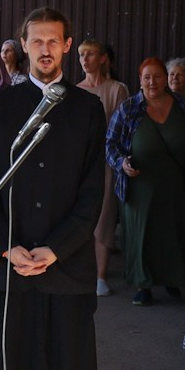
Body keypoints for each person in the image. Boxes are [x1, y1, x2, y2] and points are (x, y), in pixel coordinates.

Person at [0, 8, 107, 370]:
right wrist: (8, 247)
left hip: (66, 268)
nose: (45, 50)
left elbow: (93, 193)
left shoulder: (88, 108)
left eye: (54, 41)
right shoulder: (1, 107)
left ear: (67, 46)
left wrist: (56, 248)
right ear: (23, 45)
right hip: (9, 269)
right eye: (37, 41)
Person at [107, 57, 185, 306]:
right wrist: (121, 163)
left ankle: (171, 278)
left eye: (158, 76)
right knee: (140, 235)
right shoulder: (129, 108)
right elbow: (110, 144)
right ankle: (142, 284)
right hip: (139, 185)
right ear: (140, 80)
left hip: (174, 182)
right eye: (147, 77)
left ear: (166, 79)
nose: (152, 82)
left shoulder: (183, 105)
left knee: (171, 233)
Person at [76, 37, 129, 296]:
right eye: (81, 54)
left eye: (90, 54)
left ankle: (100, 276)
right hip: (80, 162)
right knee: (80, 212)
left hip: (107, 162)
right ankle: (81, 271)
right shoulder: (74, 90)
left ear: (102, 58)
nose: (85, 59)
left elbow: (124, 129)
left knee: (104, 216)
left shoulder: (117, 89)